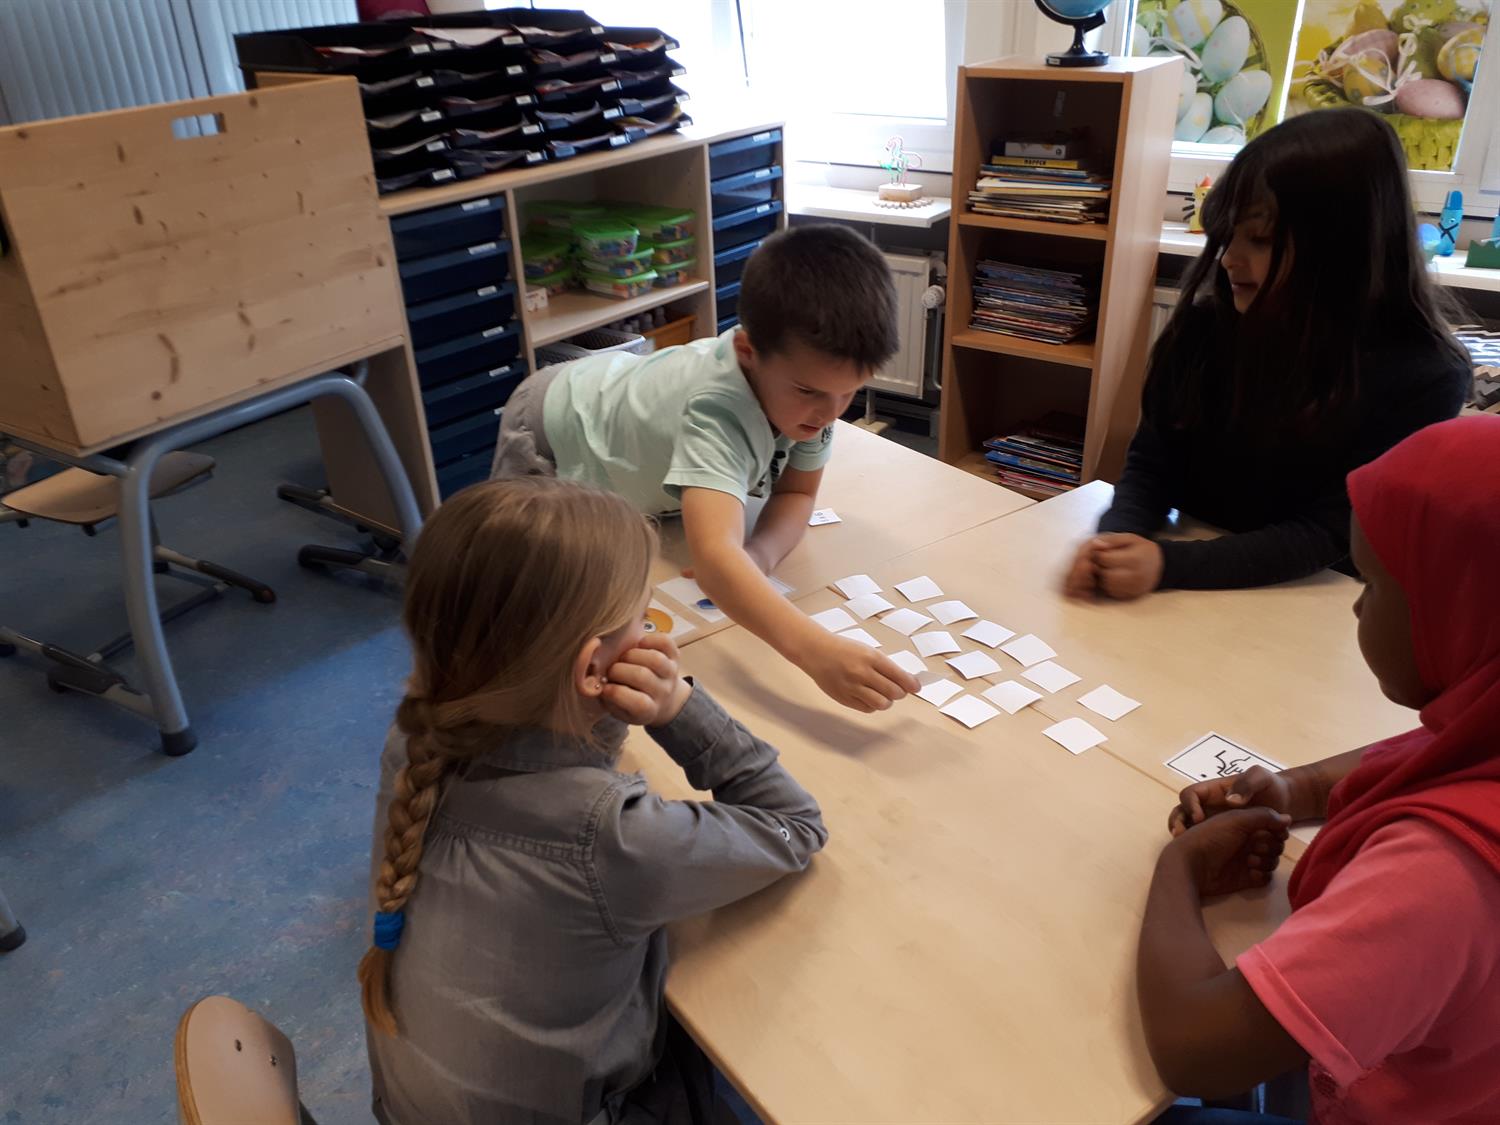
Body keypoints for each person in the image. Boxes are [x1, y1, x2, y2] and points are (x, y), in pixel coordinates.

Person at [358, 477, 828, 1125]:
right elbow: (794, 824)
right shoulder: (607, 834)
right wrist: (678, 709)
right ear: (592, 669)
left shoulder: (414, 735)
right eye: (643, 616)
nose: (650, 628)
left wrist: (599, 709)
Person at [1136, 416, 1500, 1123]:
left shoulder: (1443, 875)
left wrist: (1176, 869)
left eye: (1372, 584)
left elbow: (1194, 1049)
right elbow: (1419, 754)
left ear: (1458, 614)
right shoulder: (1484, 730)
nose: (1358, 607)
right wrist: (1295, 787)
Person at [492, 224, 920, 713]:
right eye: (810, 391)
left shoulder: (813, 395)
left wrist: (757, 557)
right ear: (747, 353)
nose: (831, 412)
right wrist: (817, 651)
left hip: (628, 448)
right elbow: (716, 562)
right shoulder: (716, 409)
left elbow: (797, 496)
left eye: (849, 391)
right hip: (551, 429)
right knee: (526, 614)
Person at [1065, 108, 1470, 601]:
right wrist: (1119, 534)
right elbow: (1153, 464)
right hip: (1196, 578)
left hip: (1310, 600)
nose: (1231, 257)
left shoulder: (1423, 375)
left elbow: (1329, 533)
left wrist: (1168, 565)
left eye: (1260, 239)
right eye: (1228, 233)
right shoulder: (1206, 327)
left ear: (1343, 249)